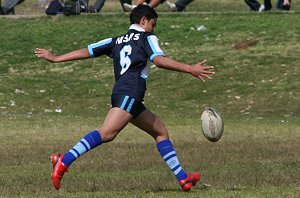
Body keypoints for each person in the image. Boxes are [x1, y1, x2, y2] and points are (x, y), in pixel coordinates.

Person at [35, 4, 215, 191]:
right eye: (153, 24)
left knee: (160, 132)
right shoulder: (147, 37)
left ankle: (183, 178)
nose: (154, 29)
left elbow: (87, 51)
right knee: (107, 133)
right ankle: (64, 160)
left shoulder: (116, 40)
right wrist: (190, 69)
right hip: (131, 91)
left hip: (123, 92)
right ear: (143, 20)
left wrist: (56, 58)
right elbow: (159, 61)